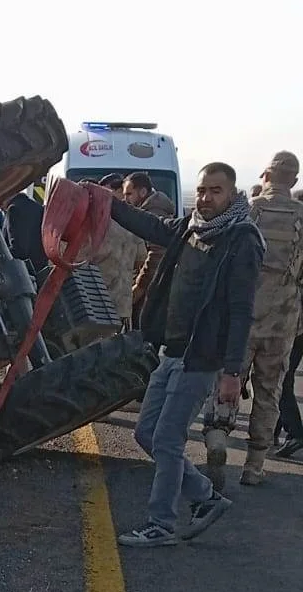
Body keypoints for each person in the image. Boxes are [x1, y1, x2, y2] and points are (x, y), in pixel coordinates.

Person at [107, 162, 264, 546]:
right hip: (170, 352)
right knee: (147, 433)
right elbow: (149, 227)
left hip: (201, 358)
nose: (207, 198)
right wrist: (105, 203)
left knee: (167, 440)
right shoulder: (189, 229)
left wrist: (232, 371)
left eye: (216, 191)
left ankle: (160, 522)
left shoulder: (241, 239)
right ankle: (206, 497)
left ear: (232, 194)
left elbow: (242, 310)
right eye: (203, 190)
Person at [201, 151, 303, 485]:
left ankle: (217, 435)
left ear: (265, 175)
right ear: (295, 181)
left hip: (241, 317)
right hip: (283, 321)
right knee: (269, 391)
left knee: (228, 378)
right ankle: (255, 464)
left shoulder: (249, 212)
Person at [91, 173, 146, 328]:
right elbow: (142, 259)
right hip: (123, 305)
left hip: (96, 305)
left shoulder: (94, 224)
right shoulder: (132, 224)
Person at [123, 172, 176, 324]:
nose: (125, 199)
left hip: (152, 286)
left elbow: (157, 254)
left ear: (143, 192)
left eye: (129, 194)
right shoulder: (151, 209)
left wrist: (140, 287)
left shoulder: (154, 213)